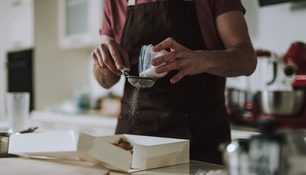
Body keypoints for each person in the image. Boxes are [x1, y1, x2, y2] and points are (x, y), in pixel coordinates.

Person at [91, 0, 257, 164]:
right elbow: (104, 81)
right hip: (133, 142)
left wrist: (203, 59)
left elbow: (247, 60)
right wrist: (106, 61)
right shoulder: (115, 2)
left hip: (198, 142)